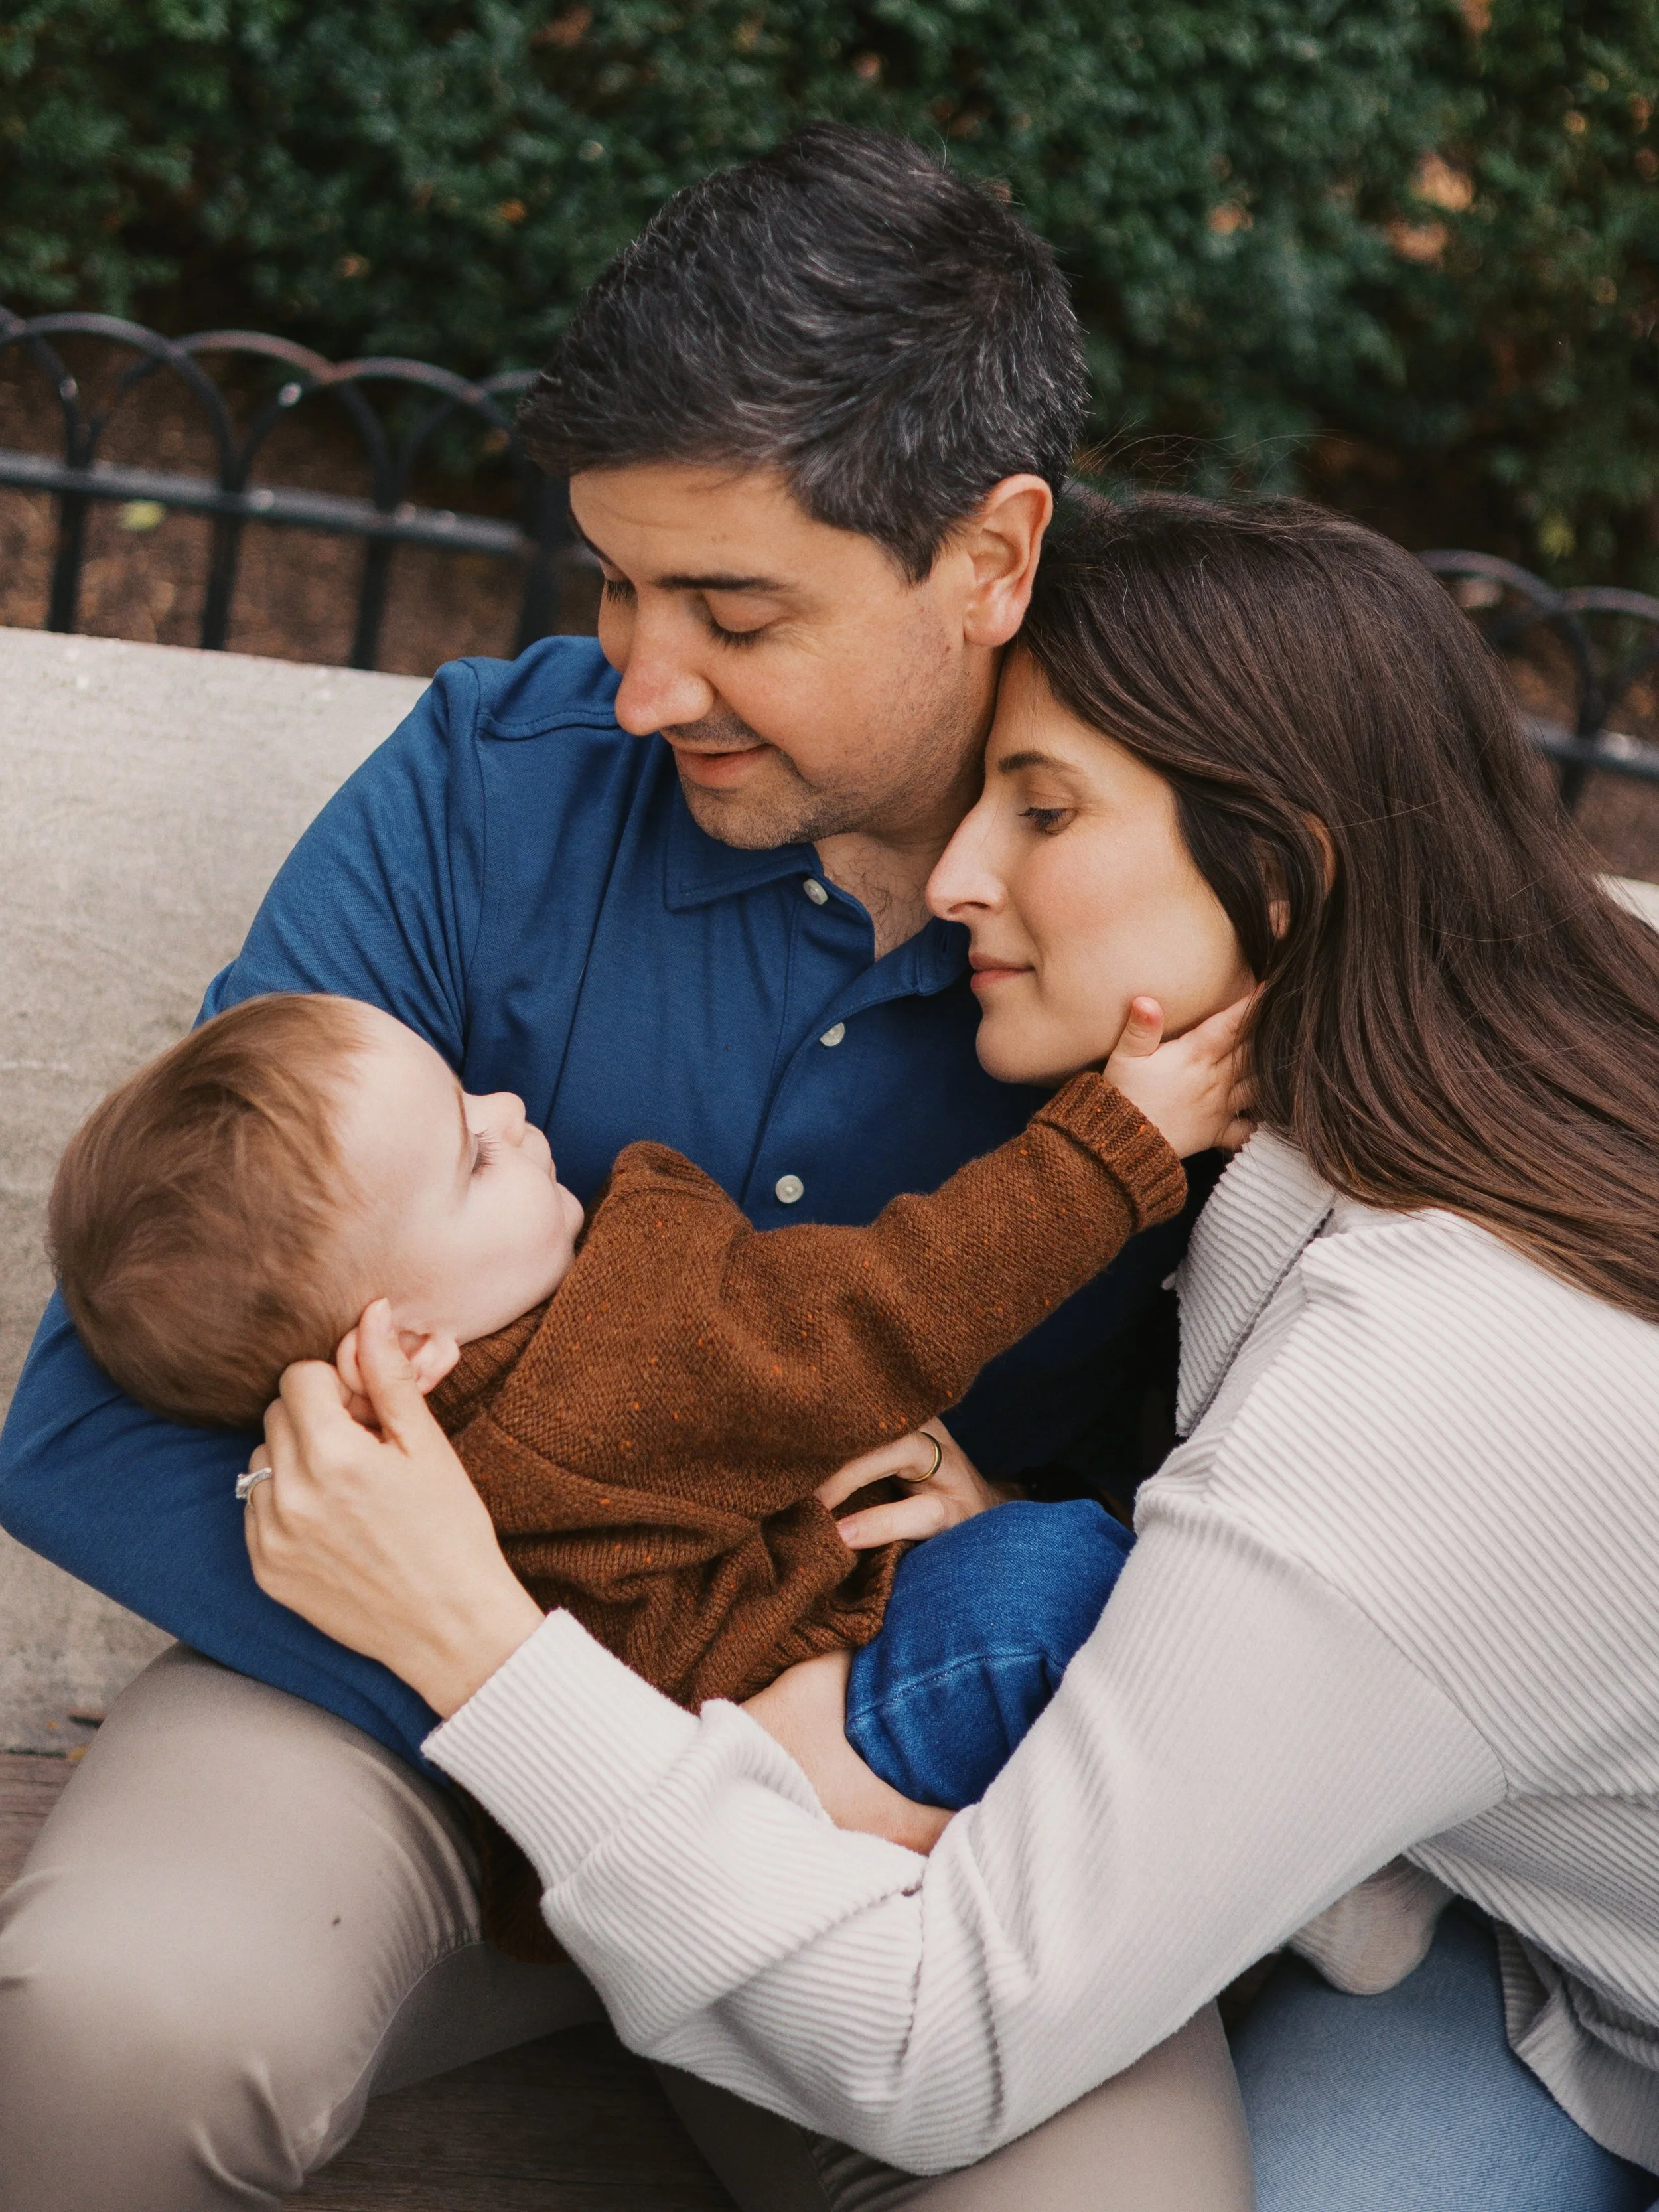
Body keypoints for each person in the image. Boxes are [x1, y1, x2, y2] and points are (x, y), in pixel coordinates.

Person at [0, 129, 1244, 2209]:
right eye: (615, 583)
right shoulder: (487, 789)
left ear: (990, 557)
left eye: (732, 607)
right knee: (123, 2020)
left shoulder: (1164, 903)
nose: (642, 678)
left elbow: (1296, 1496)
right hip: (377, 1717)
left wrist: (1001, 1564)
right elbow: (97, 1418)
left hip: (887, 1760)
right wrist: (543, 1693)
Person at [237, 495, 1659, 2212]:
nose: (959, 872)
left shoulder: (1429, 1381)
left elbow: (937, 2049)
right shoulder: (1506, 1075)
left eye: (1042, 808)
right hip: (1528, 1973)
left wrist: (475, 1640)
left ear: (1278, 869)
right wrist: (1111, 1583)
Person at [46, 985, 1238, 1872]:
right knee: (1074, 1577)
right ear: (401, 1347)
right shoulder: (609, 1368)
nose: (510, 1109)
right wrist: (1109, 1147)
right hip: (853, 1715)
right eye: (471, 1156)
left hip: (708, 1772)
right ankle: (1305, 1869)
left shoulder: (436, 1439)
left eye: (470, 1093)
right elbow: (886, 1307)